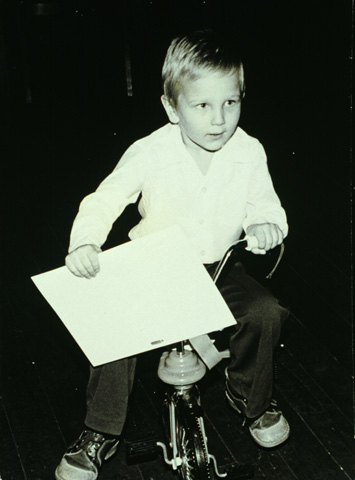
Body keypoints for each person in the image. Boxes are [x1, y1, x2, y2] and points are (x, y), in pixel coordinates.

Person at [55, 29, 290, 480]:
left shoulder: (248, 151)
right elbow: (103, 200)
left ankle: (251, 400)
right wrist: (85, 242)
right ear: (171, 108)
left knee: (265, 312)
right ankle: (100, 430)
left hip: (218, 265)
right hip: (155, 266)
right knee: (118, 326)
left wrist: (267, 226)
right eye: (202, 105)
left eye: (231, 103)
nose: (219, 119)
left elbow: (269, 207)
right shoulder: (150, 152)